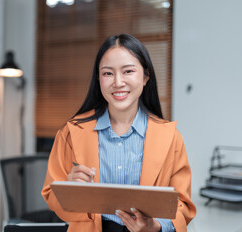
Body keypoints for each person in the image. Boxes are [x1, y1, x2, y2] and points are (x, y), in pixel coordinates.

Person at [41, 33, 196, 232]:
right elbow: (51, 194)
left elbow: (183, 205)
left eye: (128, 71)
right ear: (98, 78)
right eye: (108, 73)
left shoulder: (171, 137)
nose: (118, 82)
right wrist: (70, 190)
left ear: (145, 76)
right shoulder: (70, 133)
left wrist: (155, 226)